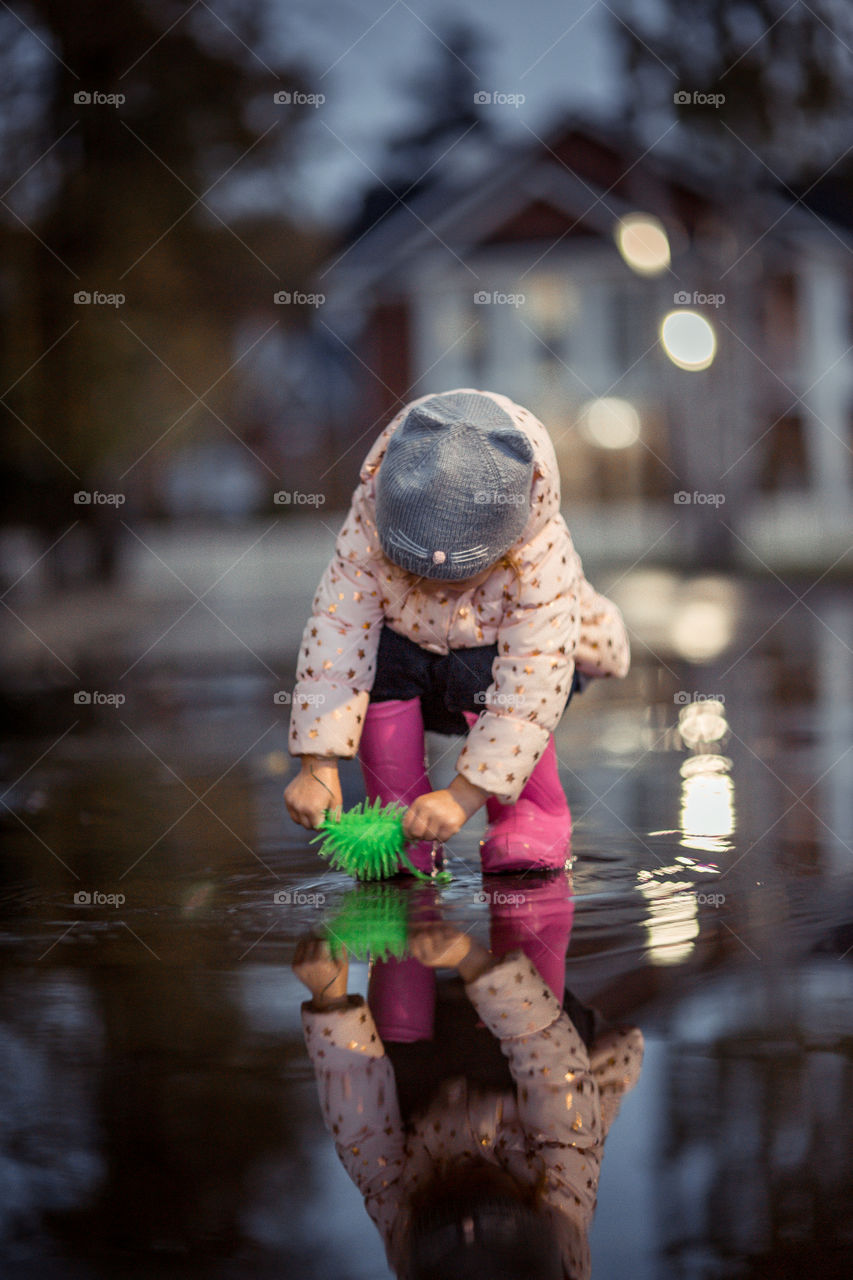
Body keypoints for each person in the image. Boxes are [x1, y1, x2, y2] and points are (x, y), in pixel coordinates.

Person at [284, 389, 630, 872]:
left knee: (491, 670)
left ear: (507, 545)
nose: (427, 585)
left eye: (453, 575)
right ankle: (398, 818)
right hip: (416, 666)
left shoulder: (541, 554)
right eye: (408, 568)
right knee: (377, 653)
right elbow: (337, 633)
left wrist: (462, 796)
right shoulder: (369, 520)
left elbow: (533, 683)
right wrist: (316, 764)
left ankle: (529, 814)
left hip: (509, 675)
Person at [293, 924, 644, 1280]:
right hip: (559, 1069)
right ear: (528, 1208)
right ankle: (527, 913)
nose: (473, 1173)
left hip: (438, 1099)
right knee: (551, 1029)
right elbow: (552, 1068)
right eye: (488, 1187)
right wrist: (471, 958)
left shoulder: (404, 1221)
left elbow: (360, 1125)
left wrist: (330, 998)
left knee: (398, 1059)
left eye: (457, 1190)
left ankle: (404, 927)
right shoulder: (559, 1191)